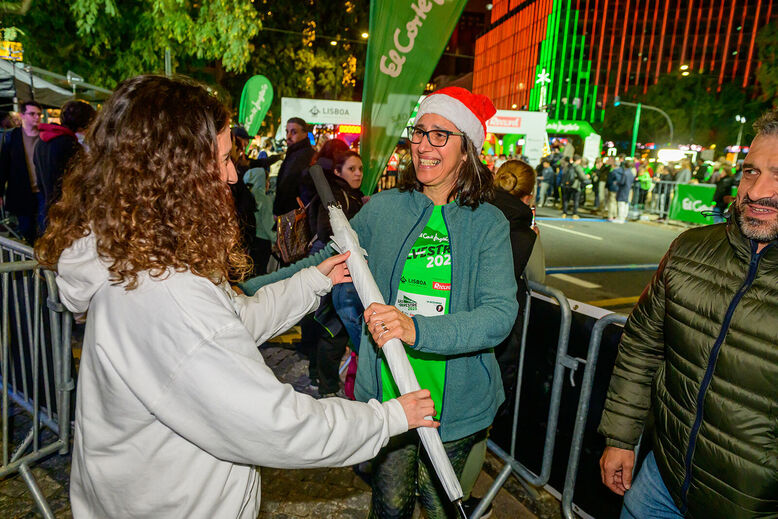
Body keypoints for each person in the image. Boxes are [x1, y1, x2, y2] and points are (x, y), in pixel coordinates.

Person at [35, 75, 438, 518]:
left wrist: (314, 281)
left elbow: (230, 323)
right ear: (174, 173)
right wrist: (389, 418)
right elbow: (274, 423)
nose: (231, 174)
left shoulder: (135, 256)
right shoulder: (165, 293)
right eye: (224, 160)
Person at [241, 86, 518, 518]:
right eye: (420, 132)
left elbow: (498, 315)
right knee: (388, 506)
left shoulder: (488, 223)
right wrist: (245, 290)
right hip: (389, 394)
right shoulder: (385, 208)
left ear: (467, 151)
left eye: (440, 135)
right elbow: (326, 260)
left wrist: (415, 328)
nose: (424, 145)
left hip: (453, 399)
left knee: (438, 501)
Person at [598, 108, 778, 519]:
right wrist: (622, 437)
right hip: (660, 479)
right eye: (751, 172)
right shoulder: (689, 249)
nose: (757, 190)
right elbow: (641, 346)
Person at [459, 159, 539, 516]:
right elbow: (540, 280)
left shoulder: (469, 208)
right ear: (529, 194)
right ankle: (457, 500)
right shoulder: (524, 233)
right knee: (478, 418)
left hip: (454, 323)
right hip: (494, 335)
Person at [33, 100, 96, 225]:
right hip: (67, 213)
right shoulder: (70, 145)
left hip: (49, 208)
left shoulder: (42, 141)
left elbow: (39, 180)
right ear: (85, 124)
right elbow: (79, 181)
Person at [0, 100, 43, 243]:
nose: (36, 117)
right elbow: (4, 166)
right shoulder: (12, 137)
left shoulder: (45, 136)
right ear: (22, 115)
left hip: (43, 191)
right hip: (22, 191)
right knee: (27, 229)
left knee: (44, 228)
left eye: (39, 114)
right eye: (32, 114)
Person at [273, 117, 315, 216]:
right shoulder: (294, 153)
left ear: (304, 134)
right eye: (287, 132)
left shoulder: (302, 156)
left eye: (294, 132)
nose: (288, 136)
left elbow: (287, 186)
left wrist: (279, 211)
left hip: (294, 214)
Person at [561, 154, 586, 219]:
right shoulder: (577, 167)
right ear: (578, 160)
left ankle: (564, 213)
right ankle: (574, 214)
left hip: (567, 185)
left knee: (566, 199)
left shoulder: (568, 166)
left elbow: (563, 174)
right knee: (576, 200)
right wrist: (587, 177)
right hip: (575, 185)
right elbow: (582, 177)